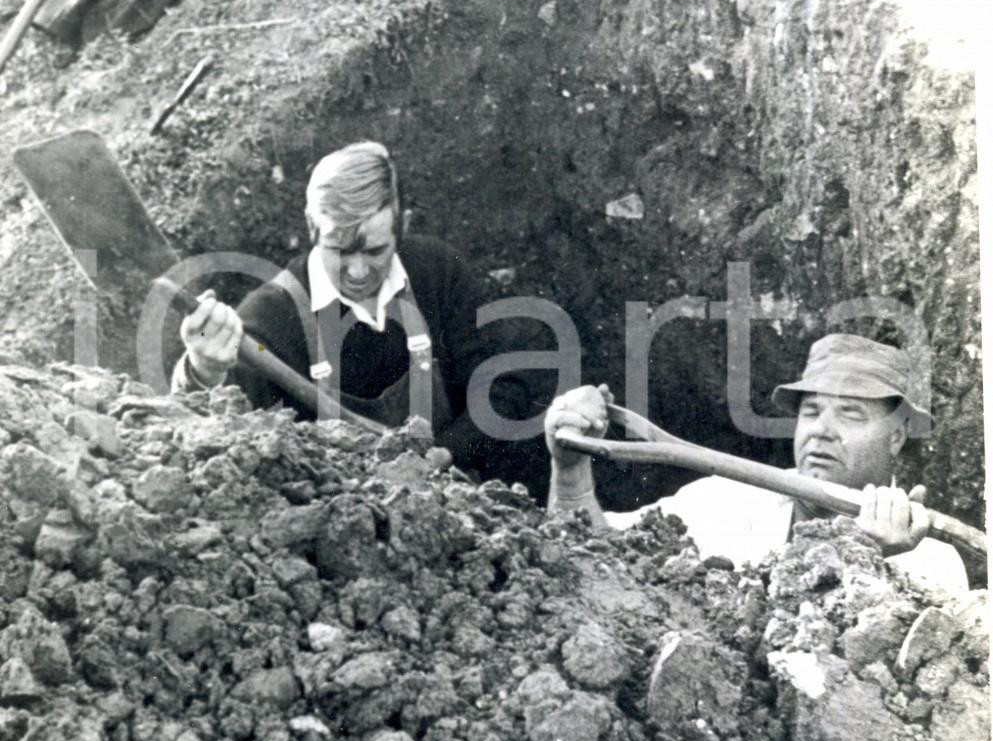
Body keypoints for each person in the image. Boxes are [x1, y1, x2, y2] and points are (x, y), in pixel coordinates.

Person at [173, 140, 529, 476]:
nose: (358, 272)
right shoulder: (273, 315)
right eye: (339, 251)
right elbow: (205, 427)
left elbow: (502, 390)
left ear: (401, 225)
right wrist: (203, 368)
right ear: (311, 226)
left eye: (375, 251)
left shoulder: (437, 273)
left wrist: (446, 453)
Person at [544, 334, 969, 594]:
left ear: (895, 436)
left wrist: (866, 560)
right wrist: (570, 473)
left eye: (850, 414)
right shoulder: (726, 500)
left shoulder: (932, 563)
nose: (821, 430)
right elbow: (589, 555)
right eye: (811, 411)